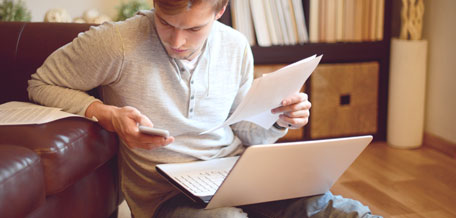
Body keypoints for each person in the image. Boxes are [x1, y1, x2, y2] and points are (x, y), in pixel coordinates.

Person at [28, 0, 380, 217]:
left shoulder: (236, 45)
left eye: (194, 28)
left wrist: (279, 120)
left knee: (336, 209)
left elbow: (244, 131)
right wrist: (105, 113)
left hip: (239, 175)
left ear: (221, 9)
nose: (178, 41)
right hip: (165, 195)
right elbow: (40, 84)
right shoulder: (117, 43)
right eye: (166, 24)